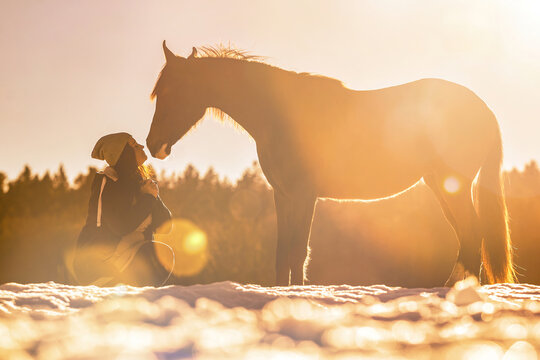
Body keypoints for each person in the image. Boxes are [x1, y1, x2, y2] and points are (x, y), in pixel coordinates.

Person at [73, 132, 173, 286]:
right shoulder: (109, 183)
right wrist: (147, 199)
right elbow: (120, 226)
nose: (141, 146)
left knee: (163, 254)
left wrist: (153, 196)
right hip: (97, 264)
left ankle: (137, 297)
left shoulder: (139, 185)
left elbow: (166, 225)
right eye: (134, 145)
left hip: (128, 258)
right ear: (123, 154)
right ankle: (110, 286)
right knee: (153, 255)